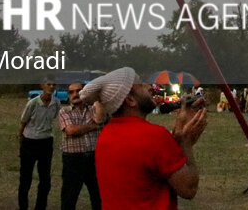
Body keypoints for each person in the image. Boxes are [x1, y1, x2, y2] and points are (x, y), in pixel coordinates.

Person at [81, 66, 207, 208]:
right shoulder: (154, 136)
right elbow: (188, 189)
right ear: (130, 100)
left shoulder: (106, 134)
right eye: (141, 84)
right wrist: (186, 144)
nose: (150, 87)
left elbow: (149, 170)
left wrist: (178, 138)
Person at [58, 81, 104, 210]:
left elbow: (100, 119)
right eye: (71, 92)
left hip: (93, 158)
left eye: (78, 91)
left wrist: (95, 99)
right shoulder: (64, 111)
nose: (75, 94)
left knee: (98, 195)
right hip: (73, 159)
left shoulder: (94, 109)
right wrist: (93, 126)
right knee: (69, 197)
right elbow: (71, 131)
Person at [19, 79, 60, 210]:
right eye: (48, 84)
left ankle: (40, 206)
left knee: (45, 179)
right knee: (26, 178)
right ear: (42, 86)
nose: (51, 87)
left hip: (46, 142)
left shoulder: (56, 103)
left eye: (53, 84)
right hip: (30, 141)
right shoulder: (33, 103)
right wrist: (21, 140)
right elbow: (24, 121)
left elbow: (54, 118)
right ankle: (23, 206)